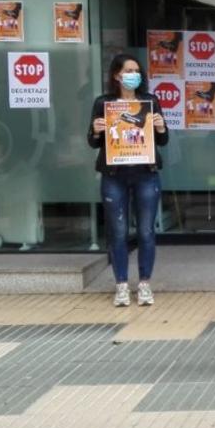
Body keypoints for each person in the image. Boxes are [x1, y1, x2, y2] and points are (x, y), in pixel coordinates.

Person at [88, 54, 169, 307]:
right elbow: (92, 141)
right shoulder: (104, 103)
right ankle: (121, 285)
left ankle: (144, 283)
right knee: (118, 232)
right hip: (114, 175)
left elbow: (163, 141)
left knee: (146, 231)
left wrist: (160, 127)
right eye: (128, 70)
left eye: (137, 70)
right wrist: (96, 130)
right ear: (116, 75)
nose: (134, 74)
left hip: (146, 172)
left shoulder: (150, 101)